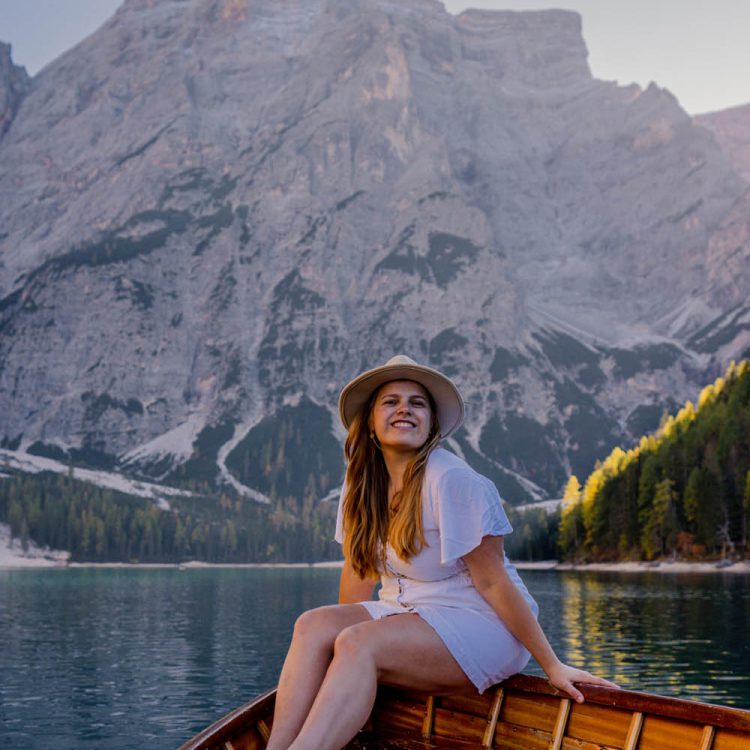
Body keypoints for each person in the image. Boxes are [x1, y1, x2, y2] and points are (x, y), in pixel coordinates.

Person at [266, 355, 616, 750]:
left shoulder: (454, 481)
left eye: (417, 403)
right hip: (408, 611)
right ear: (369, 422)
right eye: (391, 401)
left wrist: (552, 665)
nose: (404, 408)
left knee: (359, 644)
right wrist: (343, 665)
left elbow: (493, 580)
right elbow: (359, 569)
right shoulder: (360, 483)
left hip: (481, 623)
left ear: (431, 423)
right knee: (313, 625)